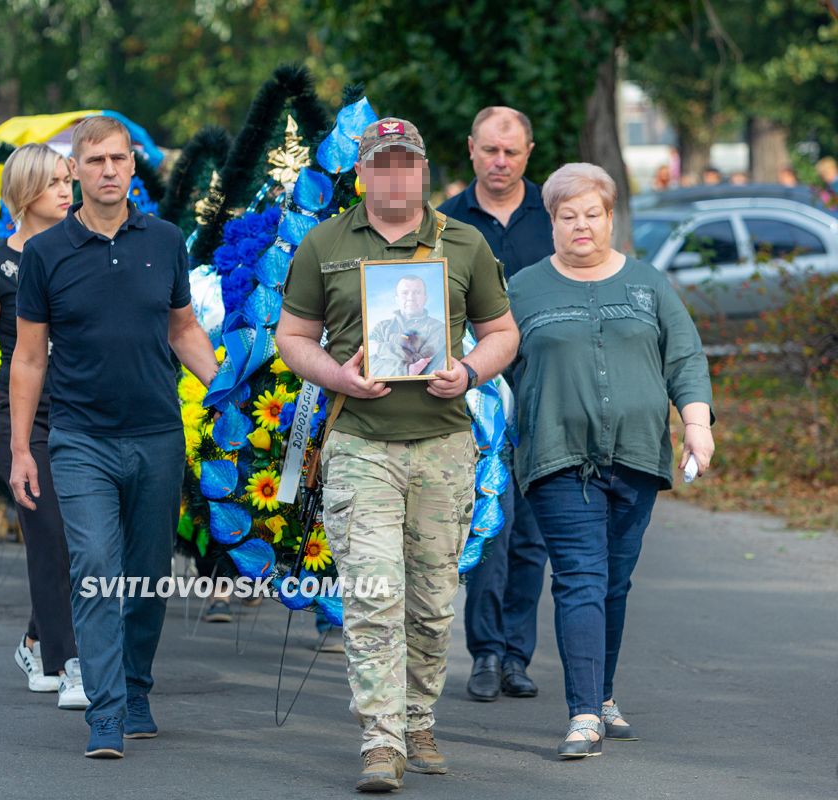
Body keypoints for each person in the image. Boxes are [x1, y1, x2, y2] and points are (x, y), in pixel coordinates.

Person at [277, 117, 519, 792]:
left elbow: (502, 332)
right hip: (359, 444)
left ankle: (418, 720)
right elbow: (293, 336)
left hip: (443, 443)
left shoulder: (463, 244)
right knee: (373, 593)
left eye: (405, 164)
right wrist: (337, 377)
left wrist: (468, 372)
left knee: (434, 601)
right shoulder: (324, 243)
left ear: (422, 171)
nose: (394, 176)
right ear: (361, 173)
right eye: (380, 165)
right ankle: (380, 740)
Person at [9, 116, 217, 759]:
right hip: (80, 440)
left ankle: (134, 684)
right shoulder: (46, 254)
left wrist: (226, 390)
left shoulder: (165, 240)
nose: (108, 170)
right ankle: (105, 709)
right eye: (94, 160)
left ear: (132, 166)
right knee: (97, 567)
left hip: (157, 435)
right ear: (75, 169)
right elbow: (29, 358)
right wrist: (20, 448)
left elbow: (183, 329)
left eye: (118, 159)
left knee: (148, 574)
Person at [507, 163, 714, 758]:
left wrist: (696, 425)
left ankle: (601, 695)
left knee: (613, 584)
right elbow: (489, 357)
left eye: (592, 214)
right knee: (580, 578)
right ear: (551, 222)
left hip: (638, 457)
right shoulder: (521, 289)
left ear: (611, 217)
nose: (581, 226)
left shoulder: (649, 283)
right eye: (567, 216)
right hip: (556, 457)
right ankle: (582, 715)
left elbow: (686, 359)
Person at [0, 144, 85, 703]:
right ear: (25, 192)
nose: (66, 190)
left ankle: (36, 636)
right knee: (48, 535)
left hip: (83, 409)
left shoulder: (83, 253)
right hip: (23, 419)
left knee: (79, 540)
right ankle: (69, 661)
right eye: (53, 182)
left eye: (66, 180)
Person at [439, 106, 552, 703]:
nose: (500, 162)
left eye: (511, 152)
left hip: (544, 398)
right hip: (475, 400)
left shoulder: (553, 218)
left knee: (532, 535)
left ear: (528, 152)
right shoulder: (447, 221)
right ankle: (483, 651)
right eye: (489, 151)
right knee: (489, 526)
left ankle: (516, 654)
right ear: (471, 150)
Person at [367, 275, 447, 376]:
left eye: (417, 292)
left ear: (425, 298)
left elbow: (422, 363)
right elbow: (370, 366)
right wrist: (408, 370)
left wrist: (380, 348)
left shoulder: (439, 329)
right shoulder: (381, 327)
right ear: (397, 299)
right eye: (405, 293)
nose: (411, 298)